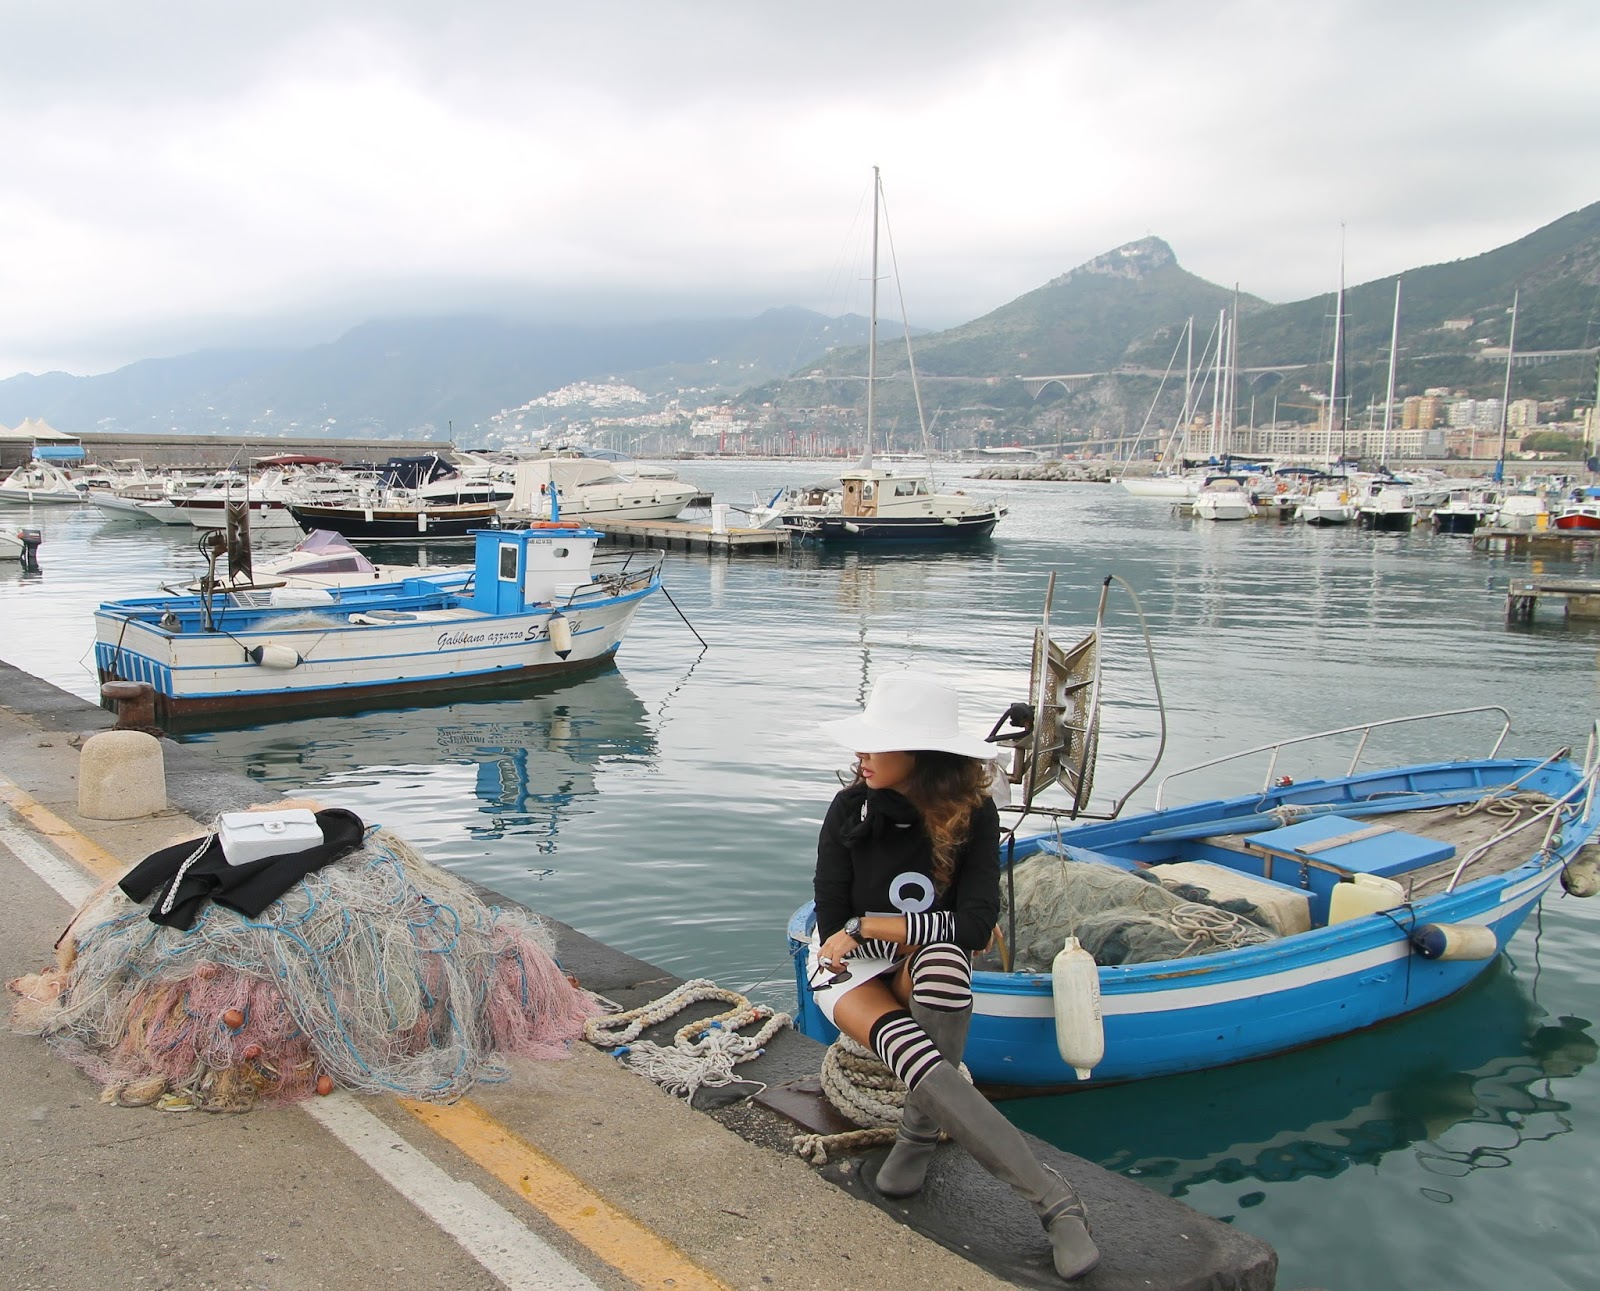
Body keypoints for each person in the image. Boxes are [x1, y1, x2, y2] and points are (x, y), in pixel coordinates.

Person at [808, 671, 1099, 1282]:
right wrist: (863, 934)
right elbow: (833, 920)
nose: (861, 754)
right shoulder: (848, 807)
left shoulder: (974, 813)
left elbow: (973, 926)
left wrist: (872, 927)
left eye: (876, 742)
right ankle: (1053, 1200)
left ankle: (916, 1134)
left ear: (920, 754)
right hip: (847, 964)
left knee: (946, 972)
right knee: (909, 1044)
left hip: (903, 947)